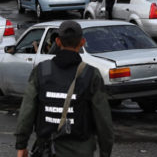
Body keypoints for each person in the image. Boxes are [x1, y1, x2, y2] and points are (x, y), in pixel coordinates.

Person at [15, 20, 113, 157]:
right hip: (81, 149)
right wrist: (105, 151)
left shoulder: (42, 71)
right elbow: (103, 119)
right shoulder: (90, 74)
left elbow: (27, 112)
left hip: (47, 149)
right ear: (82, 42)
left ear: (58, 42)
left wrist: (21, 145)